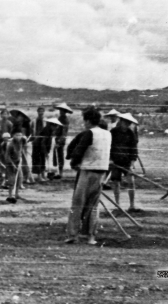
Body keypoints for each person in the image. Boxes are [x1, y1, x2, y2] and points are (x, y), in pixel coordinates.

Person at [65, 106, 112, 245]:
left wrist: (73, 162)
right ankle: (90, 236)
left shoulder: (89, 133)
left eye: (85, 120)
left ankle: (72, 235)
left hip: (87, 171)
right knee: (93, 206)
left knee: (77, 204)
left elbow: (77, 151)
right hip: (102, 172)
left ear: (89, 121)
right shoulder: (108, 134)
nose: (84, 123)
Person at [109, 112, 141, 213]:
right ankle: (117, 205)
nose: (127, 125)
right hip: (115, 160)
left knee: (131, 182)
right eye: (125, 122)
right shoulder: (113, 132)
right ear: (121, 121)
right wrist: (110, 159)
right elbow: (108, 146)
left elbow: (133, 148)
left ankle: (132, 205)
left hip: (127, 161)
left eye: (129, 123)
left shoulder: (130, 133)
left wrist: (132, 162)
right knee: (115, 182)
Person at [4, 130, 26, 203]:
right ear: (13, 136)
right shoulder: (10, 144)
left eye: (20, 135)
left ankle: (16, 194)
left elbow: (24, 144)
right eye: (17, 135)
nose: (19, 137)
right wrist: (12, 164)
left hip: (18, 162)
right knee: (12, 179)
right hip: (10, 163)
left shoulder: (21, 141)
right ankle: (10, 195)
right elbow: (7, 156)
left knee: (19, 178)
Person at [53, 103, 73, 178]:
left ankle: (60, 173)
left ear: (65, 111)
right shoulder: (60, 118)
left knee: (60, 156)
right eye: (60, 110)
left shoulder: (64, 120)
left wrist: (59, 142)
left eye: (62, 110)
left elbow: (64, 133)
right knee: (58, 155)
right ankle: (58, 172)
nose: (61, 112)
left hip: (61, 140)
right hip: (58, 138)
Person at [32, 107, 48, 182]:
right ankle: (39, 175)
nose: (41, 113)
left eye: (42, 111)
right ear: (37, 112)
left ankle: (43, 174)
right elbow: (32, 131)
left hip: (43, 141)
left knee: (43, 158)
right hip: (36, 141)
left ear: (44, 112)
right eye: (39, 111)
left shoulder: (46, 120)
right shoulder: (34, 121)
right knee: (37, 158)